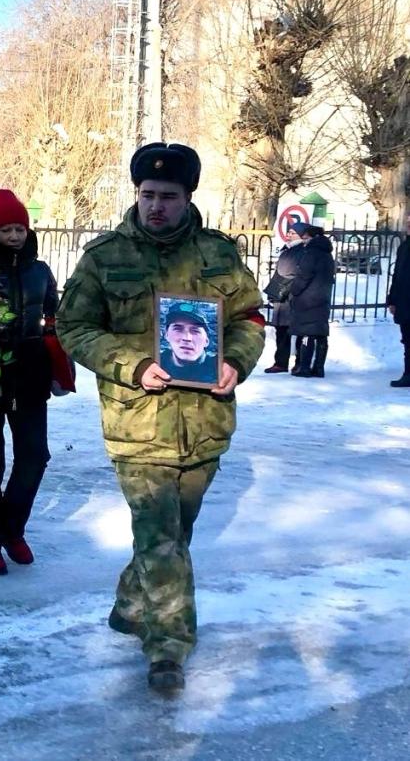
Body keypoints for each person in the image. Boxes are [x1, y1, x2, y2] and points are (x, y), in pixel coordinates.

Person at [56, 142, 265, 693]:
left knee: (174, 533)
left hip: (205, 423)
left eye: (168, 196)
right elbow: (73, 327)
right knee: (161, 538)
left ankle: (131, 606)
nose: (155, 206)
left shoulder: (218, 254)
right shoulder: (105, 257)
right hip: (138, 426)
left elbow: (249, 317)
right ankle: (168, 647)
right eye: (147, 194)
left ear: (188, 197)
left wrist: (235, 362)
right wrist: (130, 364)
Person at [0, 189, 57, 575]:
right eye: (5, 230)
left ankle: (11, 529)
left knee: (35, 456)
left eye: (19, 228)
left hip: (31, 376)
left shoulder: (41, 271)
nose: (15, 236)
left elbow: (55, 317)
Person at [289, 225, 335, 378]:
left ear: (312, 237)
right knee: (321, 334)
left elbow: (304, 276)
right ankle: (319, 368)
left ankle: (304, 367)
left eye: (305, 238)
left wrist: (294, 290)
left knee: (307, 333)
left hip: (308, 300)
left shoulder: (311, 253)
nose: (304, 241)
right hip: (323, 298)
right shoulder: (327, 254)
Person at [263, 222, 307, 374]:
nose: (289, 235)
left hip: (291, 295)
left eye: (293, 233)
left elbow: (293, 272)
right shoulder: (288, 249)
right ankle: (281, 362)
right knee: (281, 331)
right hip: (281, 294)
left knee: (296, 331)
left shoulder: (301, 251)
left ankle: (298, 362)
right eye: (289, 232)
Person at [160, 303, 218, 384]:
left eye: (195, 331)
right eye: (178, 329)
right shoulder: (156, 364)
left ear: (206, 341)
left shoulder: (219, 369)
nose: (187, 338)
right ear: (166, 335)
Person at [388, 227, 410, 387]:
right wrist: (392, 300)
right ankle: (408, 374)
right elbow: (397, 275)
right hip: (404, 301)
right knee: (407, 340)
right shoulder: (404, 246)